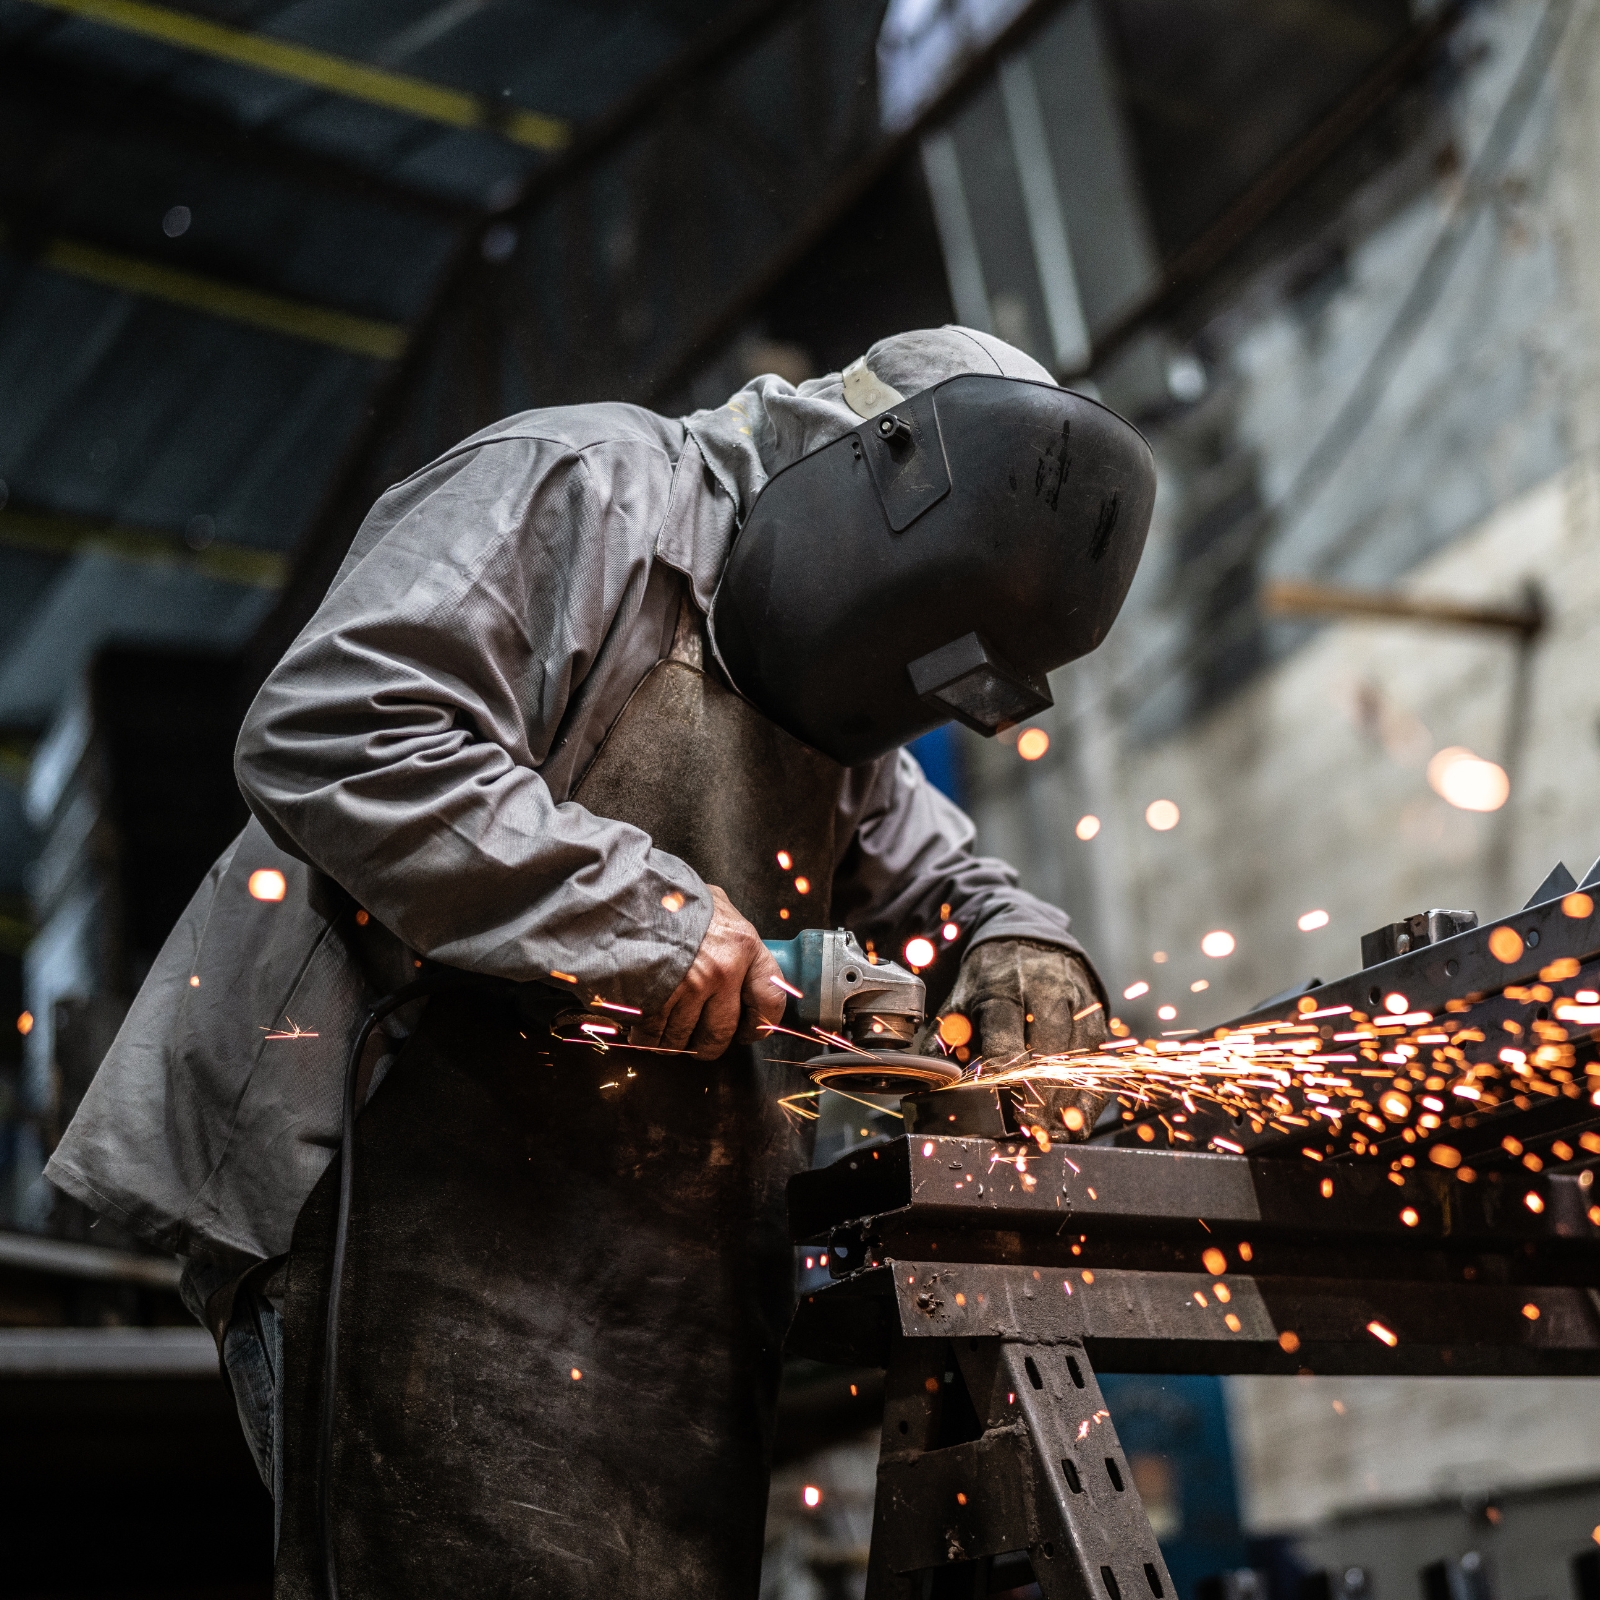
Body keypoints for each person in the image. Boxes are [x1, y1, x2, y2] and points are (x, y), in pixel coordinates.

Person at [47, 326, 1113, 1599]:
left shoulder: (844, 695)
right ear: (861, 480)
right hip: (403, 1196)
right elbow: (334, 727)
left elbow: (946, 876)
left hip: (654, 1257)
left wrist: (1021, 943)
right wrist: (652, 919)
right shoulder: (584, 484)